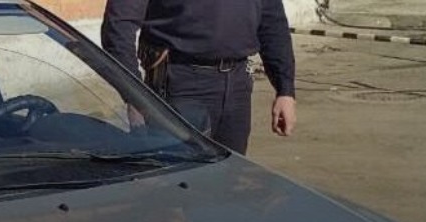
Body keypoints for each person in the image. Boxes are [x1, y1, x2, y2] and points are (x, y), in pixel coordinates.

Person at [102, 0, 298, 153]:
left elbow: (273, 22)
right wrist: (135, 94)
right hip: (179, 84)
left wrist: (285, 90)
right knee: (176, 181)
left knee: (229, 178)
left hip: (237, 85)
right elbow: (118, 27)